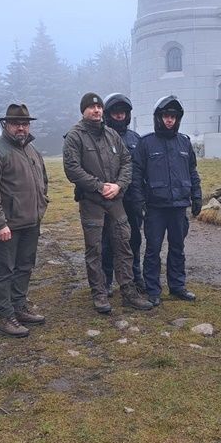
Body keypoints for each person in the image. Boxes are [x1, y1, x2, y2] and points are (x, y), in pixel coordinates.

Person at [62, 92, 153, 314]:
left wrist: (119, 185)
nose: (96, 111)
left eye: (99, 107)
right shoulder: (75, 137)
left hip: (116, 201)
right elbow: (72, 169)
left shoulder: (112, 135)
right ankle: (100, 293)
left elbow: (127, 162)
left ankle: (128, 291)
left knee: (124, 244)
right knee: (95, 249)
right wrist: (100, 186)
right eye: (91, 108)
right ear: (83, 111)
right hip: (92, 201)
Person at [0, 103, 49, 339]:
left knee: (25, 267)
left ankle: (19, 307)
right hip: (7, 226)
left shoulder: (31, 150)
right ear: (6, 125)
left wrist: (42, 205)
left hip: (31, 222)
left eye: (24, 123)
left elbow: (43, 180)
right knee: (4, 271)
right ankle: (5, 316)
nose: (21, 127)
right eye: (16, 123)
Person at [132, 95, 202, 307]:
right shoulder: (145, 143)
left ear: (177, 118)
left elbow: (192, 171)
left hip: (179, 206)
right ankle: (153, 290)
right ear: (159, 118)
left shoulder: (184, 142)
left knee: (177, 247)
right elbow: (136, 176)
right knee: (153, 249)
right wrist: (139, 202)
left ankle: (178, 286)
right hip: (155, 207)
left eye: (173, 116)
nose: (169, 120)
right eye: (166, 116)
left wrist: (197, 195)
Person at [101, 93, 146, 296]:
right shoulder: (100, 137)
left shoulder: (136, 139)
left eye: (123, 112)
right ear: (109, 114)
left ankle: (135, 276)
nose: (119, 116)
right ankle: (106, 280)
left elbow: (143, 170)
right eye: (116, 112)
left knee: (134, 239)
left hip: (133, 198)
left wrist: (143, 198)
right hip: (109, 198)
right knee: (107, 240)